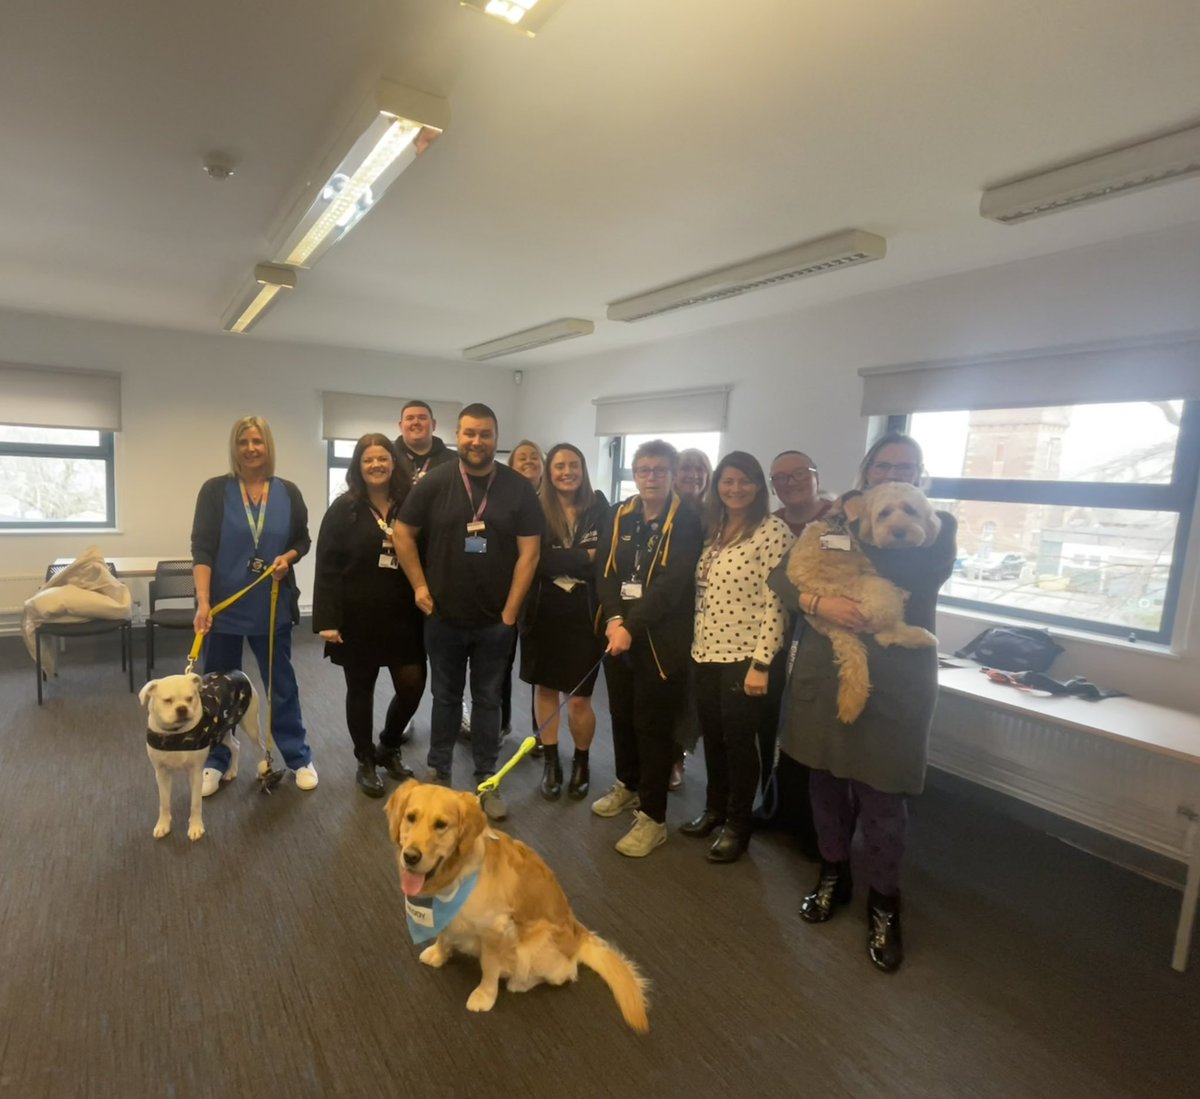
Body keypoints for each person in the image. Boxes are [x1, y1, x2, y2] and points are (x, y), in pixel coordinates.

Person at [772, 432, 957, 972]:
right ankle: (833, 874)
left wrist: (857, 516)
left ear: (921, 475)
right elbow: (780, 577)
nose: (893, 473)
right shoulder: (832, 521)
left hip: (897, 678)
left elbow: (911, 569)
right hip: (828, 669)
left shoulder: (935, 524)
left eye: (905, 466)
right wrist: (815, 598)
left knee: (882, 796)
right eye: (882, 465)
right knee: (825, 781)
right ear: (866, 468)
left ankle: (885, 902)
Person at [393, 403, 543, 822]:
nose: (477, 442)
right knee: (444, 697)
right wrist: (419, 586)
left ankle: (486, 778)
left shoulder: (517, 488)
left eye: (485, 434)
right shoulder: (436, 481)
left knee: (487, 700)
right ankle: (438, 774)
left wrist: (511, 612)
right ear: (457, 435)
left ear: (497, 438)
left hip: (497, 621)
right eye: (469, 433)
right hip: (442, 617)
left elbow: (529, 553)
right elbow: (402, 533)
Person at [191, 415, 317, 794]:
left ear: (268, 447)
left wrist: (288, 558)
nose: (250, 448)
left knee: (281, 685)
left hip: (272, 606)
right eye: (243, 441)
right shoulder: (215, 491)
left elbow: (303, 539)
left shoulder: (288, 492)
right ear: (235, 447)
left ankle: (297, 755)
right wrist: (202, 603)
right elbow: (202, 548)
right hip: (224, 609)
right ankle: (217, 758)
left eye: (257, 441)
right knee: (217, 688)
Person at [593, 440, 703, 857]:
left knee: (652, 726)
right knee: (620, 714)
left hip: (661, 643)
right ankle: (628, 784)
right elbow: (605, 572)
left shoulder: (688, 520)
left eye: (659, 470)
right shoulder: (621, 514)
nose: (651, 478)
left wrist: (632, 627)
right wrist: (615, 620)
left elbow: (672, 585)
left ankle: (653, 818)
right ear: (634, 474)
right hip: (619, 634)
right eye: (644, 470)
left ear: (673, 475)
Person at [683, 452, 794, 862]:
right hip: (705, 651)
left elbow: (777, 604)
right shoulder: (717, 528)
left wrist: (762, 663)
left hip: (745, 657)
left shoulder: (773, 531)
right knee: (713, 738)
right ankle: (715, 809)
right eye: (727, 481)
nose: (735, 488)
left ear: (758, 487)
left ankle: (738, 824)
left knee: (739, 745)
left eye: (744, 481)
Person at [312, 434, 424, 798]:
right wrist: (327, 619)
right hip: (356, 615)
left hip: (405, 614)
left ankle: (389, 745)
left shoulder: (411, 505)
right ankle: (365, 759)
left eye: (382, 458)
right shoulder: (344, 509)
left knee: (412, 685)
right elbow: (326, 567)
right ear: (358, 467)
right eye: (368, 460)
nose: (376, 465)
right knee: (360, 688)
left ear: (394, 463)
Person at [520, 443, 608, 801]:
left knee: (579, 700)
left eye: (574, 465)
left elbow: (601, 559)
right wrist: (579, 558)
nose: (567, 472)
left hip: (585, 616)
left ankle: (582, 762)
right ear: (548, 471)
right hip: (544, 612)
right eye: (559, 466)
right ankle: (551, 761)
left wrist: (558, 558)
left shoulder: (599, 507)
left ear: (583, 469)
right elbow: (533, 560)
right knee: (545, 690)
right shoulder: (535, 508)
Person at [756, 450, 833, 853]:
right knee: (773, 728)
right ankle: (774, 808)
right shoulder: (773, 525)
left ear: (816, 475)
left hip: (823, 640)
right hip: (776, 637)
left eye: (799, 473)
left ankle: (813, 826)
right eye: (780, 478)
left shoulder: (838, 520)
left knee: (809, 731)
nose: (790, 482)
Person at [669, 448, 713, 788]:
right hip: (667, 614)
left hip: (706, 618)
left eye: (700, 469)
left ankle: (677, 757)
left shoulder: (716, 515)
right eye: (686, 468)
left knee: (688, 696)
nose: (693, 475)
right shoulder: (663, 510)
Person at [394, 399, 455, 486]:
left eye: (422, 418)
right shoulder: (389, 458)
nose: (416, 422)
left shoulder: (454, 461)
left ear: (433, 424)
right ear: (401, 426)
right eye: (410, 418)